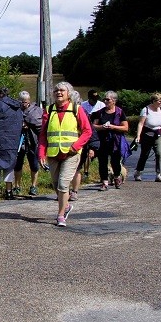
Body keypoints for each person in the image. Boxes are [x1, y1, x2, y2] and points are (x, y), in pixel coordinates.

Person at [38, 81, 92, 227]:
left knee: (63, 184)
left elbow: (87, 131)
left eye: (62, 90)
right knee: (56, 184)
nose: (58, 93)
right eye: (56, 91)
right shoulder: (49, 110)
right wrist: (41, 153)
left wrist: (76, 146)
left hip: (71, 154)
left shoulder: (77, 109)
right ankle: (66, 205)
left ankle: (61, 215)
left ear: (69, 93)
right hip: (53, 153)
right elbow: (43, 134)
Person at [92, 90, 129, 191]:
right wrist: (102, 127)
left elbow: (125, 128)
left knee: (115, 162)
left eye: (108, 99)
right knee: (102, 162)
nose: (105, 101)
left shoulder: (120, 112)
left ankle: (116, 177)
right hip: (102, 140)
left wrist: (113, 127)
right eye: (104, 99)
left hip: (115, 141)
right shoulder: (100, 112)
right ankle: (104, 182)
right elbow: (94, 126)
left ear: (114, 101)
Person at [13, 91, 43, 197]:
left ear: (29, 101)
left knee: (34, 165)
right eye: (21, 102)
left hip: (33, 142)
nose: (23, 104)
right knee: (17, 165)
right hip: (19, 142)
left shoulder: (37, 110)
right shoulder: (15, 110)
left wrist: (28, 124)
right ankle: (16, 186)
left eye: (25, 102)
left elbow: (40, 124)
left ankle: (33, 186)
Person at [133, 93, 161, 182]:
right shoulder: (146, 110)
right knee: (144, 155)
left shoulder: (160, 109)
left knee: (159, 154)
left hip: (158, 136)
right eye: (159, 101)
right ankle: (138, 172)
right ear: (153, 101)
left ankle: (158, 174)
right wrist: (138, 136)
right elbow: (140, 124)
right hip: (147, 136)